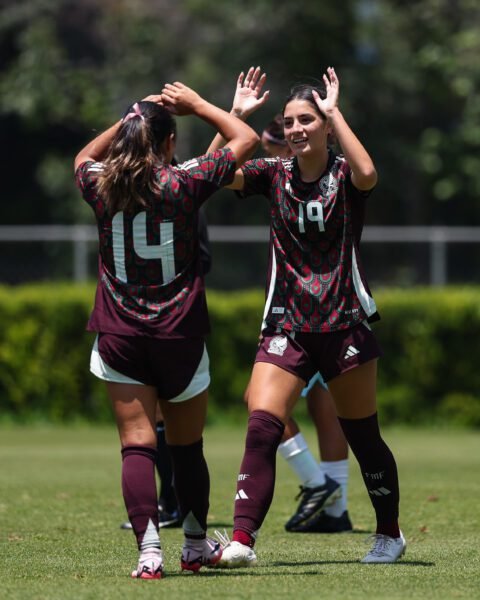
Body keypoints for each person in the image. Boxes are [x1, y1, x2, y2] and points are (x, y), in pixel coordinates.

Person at [209, 66, 405, 566]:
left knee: (364, 436)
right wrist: (233, 117)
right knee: (261, 424)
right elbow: (205, 175)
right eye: (289, 122)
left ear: (324, 125)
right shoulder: (272, 175)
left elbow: (368, 173)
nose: (295, 130)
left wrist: (337, 113)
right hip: (287, 325)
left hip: (344, 325)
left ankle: (389, 535)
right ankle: (242, 542)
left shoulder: (344, 174)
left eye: (306, 120)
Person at [74, 83, 259, 579]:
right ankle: (195, 547)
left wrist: (132, 116)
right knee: (186, 447)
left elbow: (82, 157)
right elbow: (245, 138)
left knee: (137, 444)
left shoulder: (101, 185)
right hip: (178, 333)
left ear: (127, 138)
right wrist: (199, 105)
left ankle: (149, 553)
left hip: (120, 333)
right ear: (172, 142)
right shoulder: (184, 182)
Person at [260, 116, 352, 534]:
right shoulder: (287, 178)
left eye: (268, 145)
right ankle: (337, 509)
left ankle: (320, 487)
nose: (266, 152)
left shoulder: (313, 177)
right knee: (325, 410)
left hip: (307, 314)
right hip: (320, 311)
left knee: (262, 403)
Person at [120, 207, 212, 531]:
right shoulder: (187, 185)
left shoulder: (121, 186)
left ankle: (168, 510)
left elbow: (202, 257)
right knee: (169, 433)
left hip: (152, 323)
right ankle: (182, 525)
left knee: (157, 431)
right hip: (171, 324)